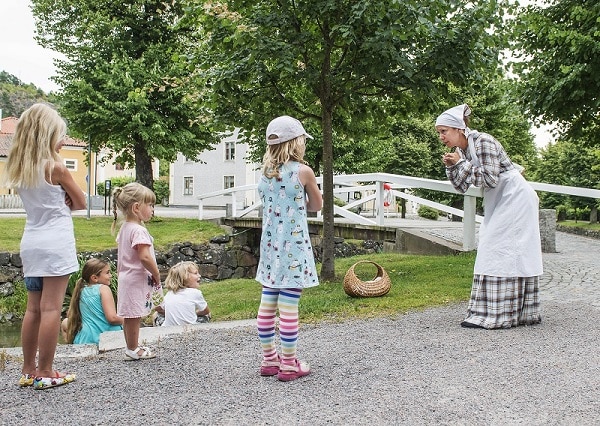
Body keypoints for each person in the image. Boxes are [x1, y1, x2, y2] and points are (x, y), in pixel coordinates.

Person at [436, 104, 543, 329]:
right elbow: (462, 186)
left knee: (500, 248)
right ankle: (504, 311)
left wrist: (461, 164)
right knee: (499, 247)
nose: (441, 136)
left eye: (444, 131)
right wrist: (452, 167)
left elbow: (490, 179)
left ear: (458, 129)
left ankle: (502, 313)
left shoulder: (483, 141)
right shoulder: (463, 151)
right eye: (439, 132)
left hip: (516, 197)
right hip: (501, 198)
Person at [3, 103, 87, 389]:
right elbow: (81, 202)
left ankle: (28, 369)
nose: (63, 141)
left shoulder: (21, 167)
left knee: (33, 310)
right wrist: (66, 196)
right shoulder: (56, 168)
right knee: (52, 309)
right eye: (60, 135)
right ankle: (46, 371)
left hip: (32, 241)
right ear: (48, 134)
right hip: (56, 242)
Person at [255, 115, 322, 381]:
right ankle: (289, 365)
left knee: (267, 306)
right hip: (293, 248)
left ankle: (269, 360)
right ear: (297, 142)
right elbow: (316, 205)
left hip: (271, 249)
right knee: (289, 308)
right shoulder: (303, 172)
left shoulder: (264, 173)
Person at [112, 182, 162, 360]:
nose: (152, 209)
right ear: (136, 208)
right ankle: (132, 349)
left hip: (126, 278)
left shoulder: (126, 228)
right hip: (135, 279)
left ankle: (131, 345)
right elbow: (144, 257)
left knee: (130, 316)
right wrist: (156, 273)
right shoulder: (139, 230)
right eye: (150, 205)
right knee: (134, 315)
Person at [61, 258, 123, 345]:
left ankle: (70, 346)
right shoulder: (103, 289)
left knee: (65, 322)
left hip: (85, 339)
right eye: (107, 273)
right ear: (94, 278)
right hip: (105, 337)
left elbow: (72, 317)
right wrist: (128, 320)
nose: (111, 275)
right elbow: (112, 318)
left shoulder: (81, 290)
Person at [153, 261, 211, 327]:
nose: (199, 275)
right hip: (190, 328)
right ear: (185, 277)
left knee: (155, 315)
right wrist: (195, 313)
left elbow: (157, 308)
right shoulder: (195, 293)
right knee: (208, 314)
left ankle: (157, 331)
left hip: (168, 329)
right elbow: (206, 311)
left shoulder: (169, 293)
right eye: (196, 273)